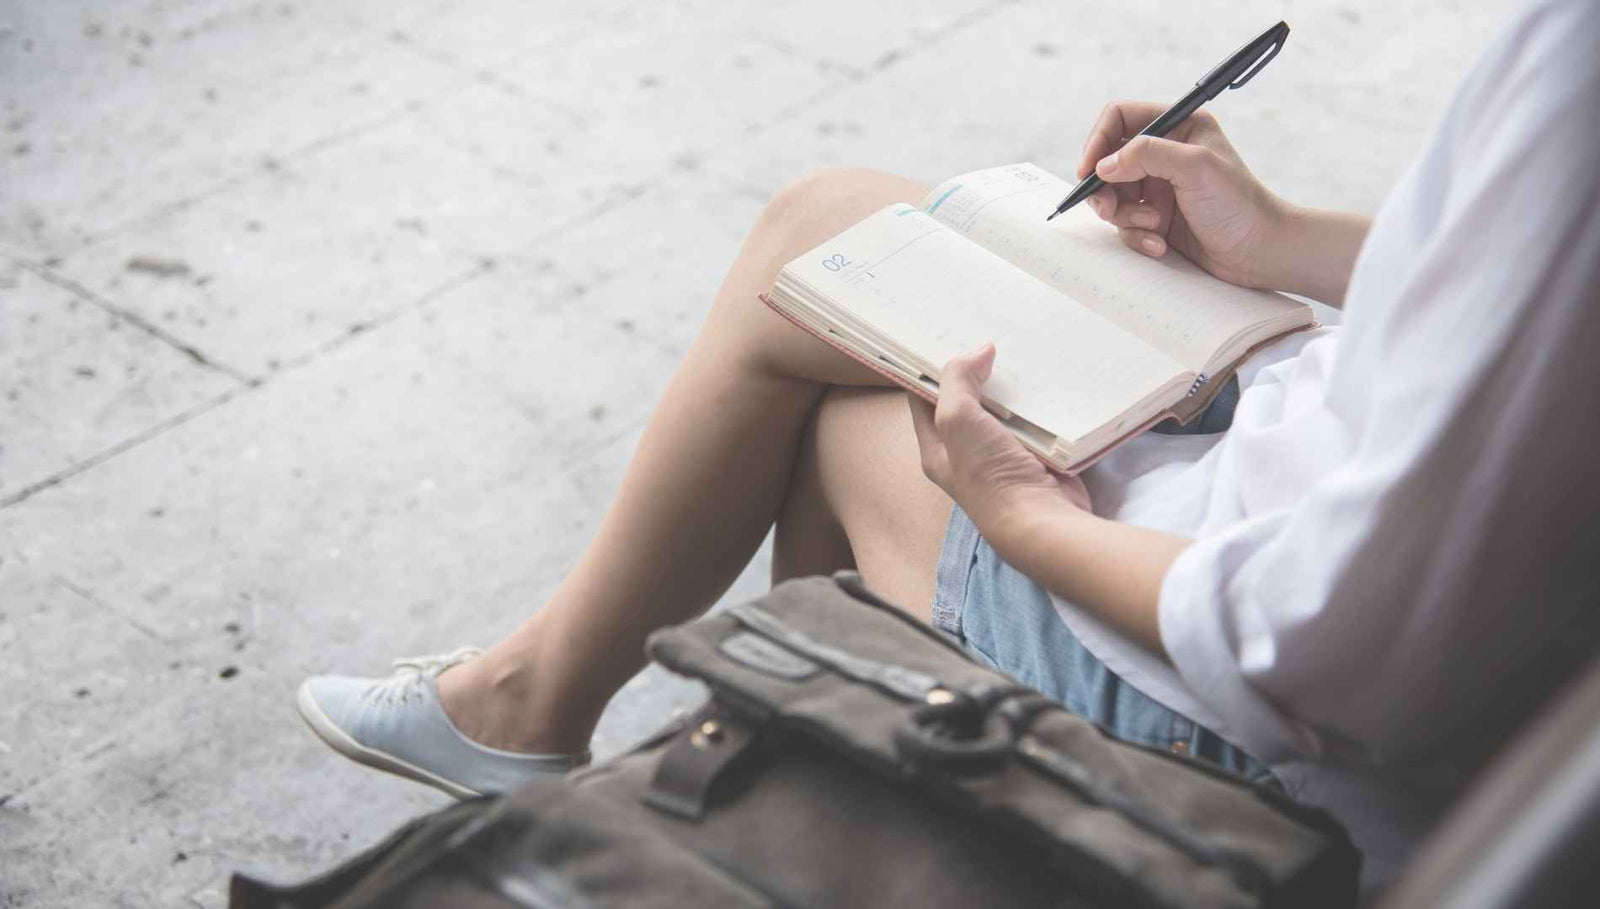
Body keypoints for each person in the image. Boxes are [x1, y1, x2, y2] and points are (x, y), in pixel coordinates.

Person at [297, 0, 1600, 894]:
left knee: (845, 403)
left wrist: (1031, 521)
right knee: (829, 228)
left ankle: (737, 778)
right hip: (1321, 461)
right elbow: (1528, 296)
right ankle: (576, 712)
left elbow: (1330, 643)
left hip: (1265, 728)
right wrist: (1280, 240)